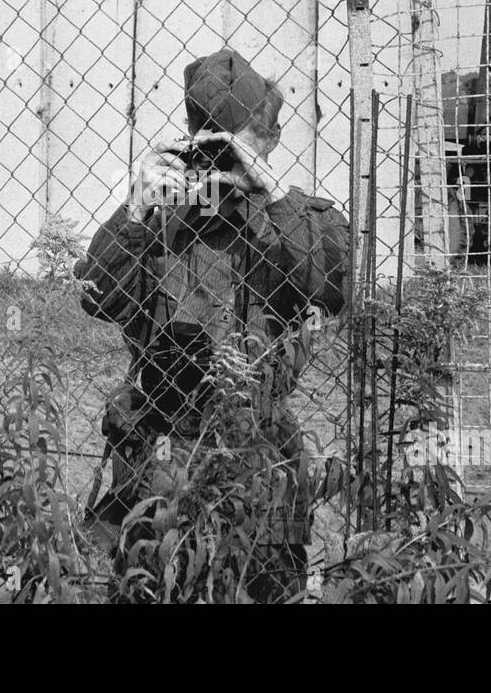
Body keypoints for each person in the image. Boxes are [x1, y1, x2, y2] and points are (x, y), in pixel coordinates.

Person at [74, 48, 347, 602]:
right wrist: (134, 208)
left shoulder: (300, 219)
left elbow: (330, 289)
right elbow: (98, 298)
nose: (222, 164)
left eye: (237, 145)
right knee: (151, 586)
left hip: (255, 451)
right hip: (159, 440)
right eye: (211, 147)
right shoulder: (158, 221)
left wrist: (266, 191)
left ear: (268, 139)